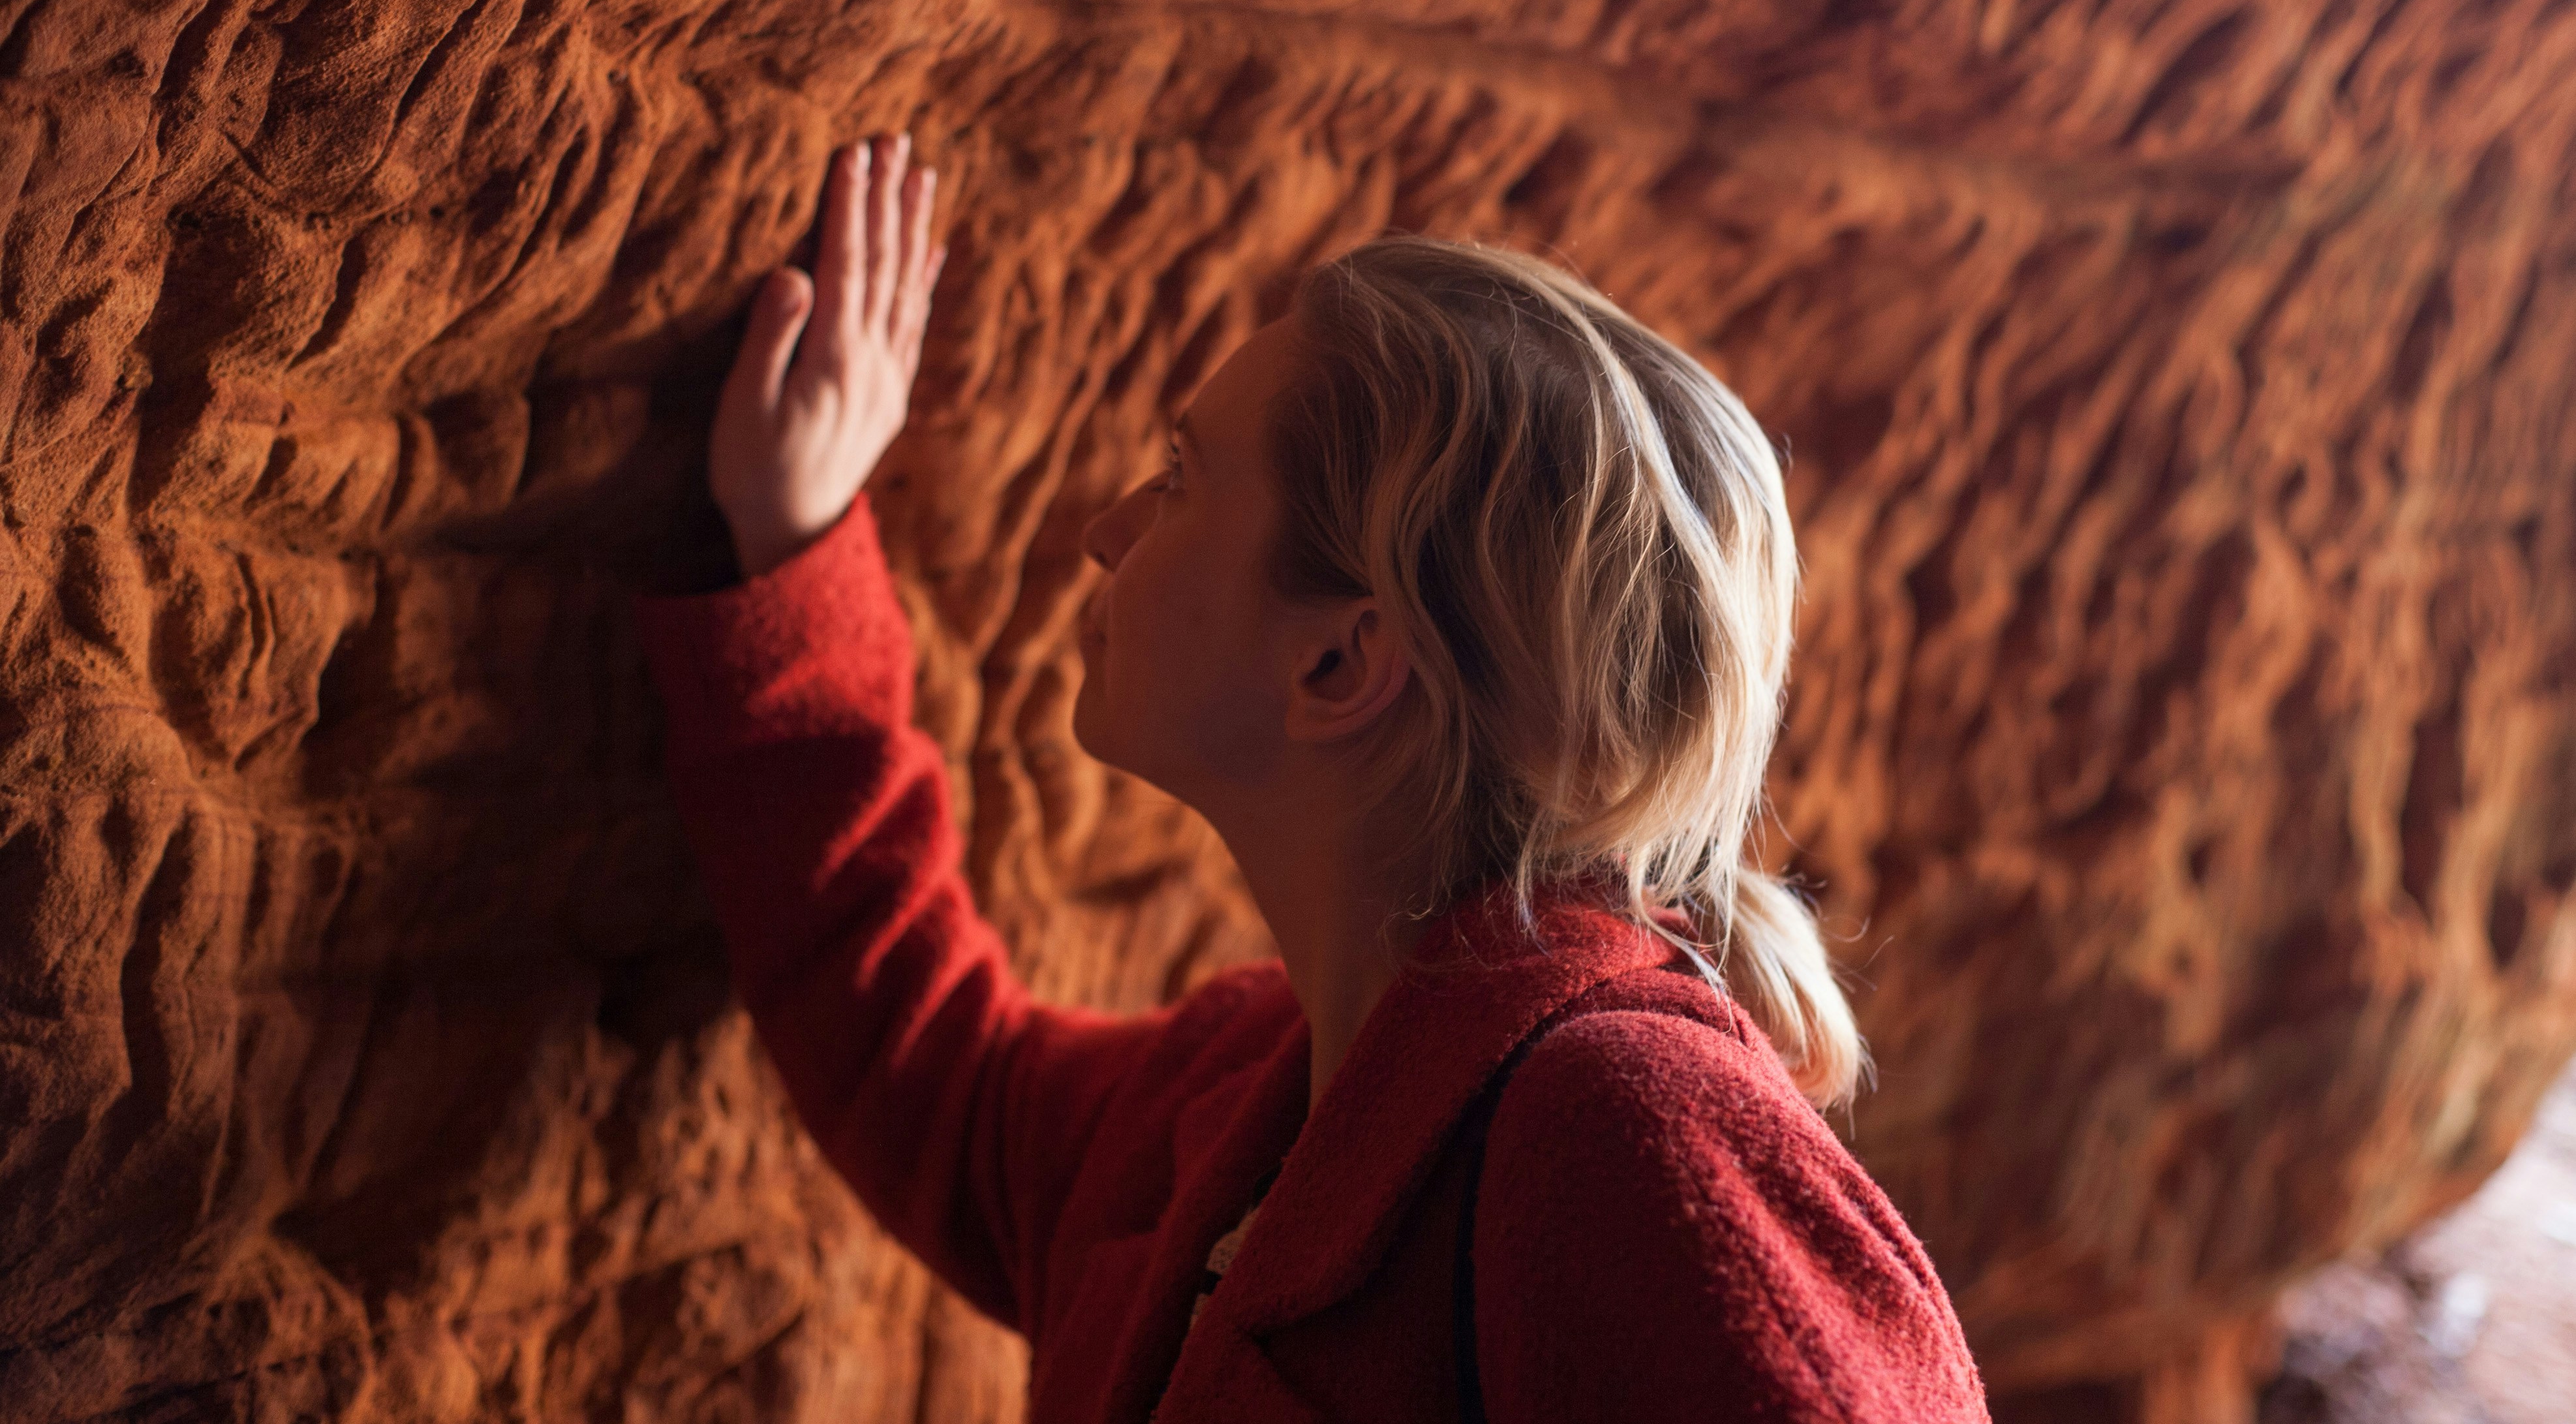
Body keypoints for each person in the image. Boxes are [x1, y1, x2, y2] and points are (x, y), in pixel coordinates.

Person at [635, 134, 1991, 1421]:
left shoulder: (1630, 1133)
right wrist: (796, 544)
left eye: (1180, 477)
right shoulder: (1253, 1094)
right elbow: (943, 1078)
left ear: (1342, 662)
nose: (1109, 529)